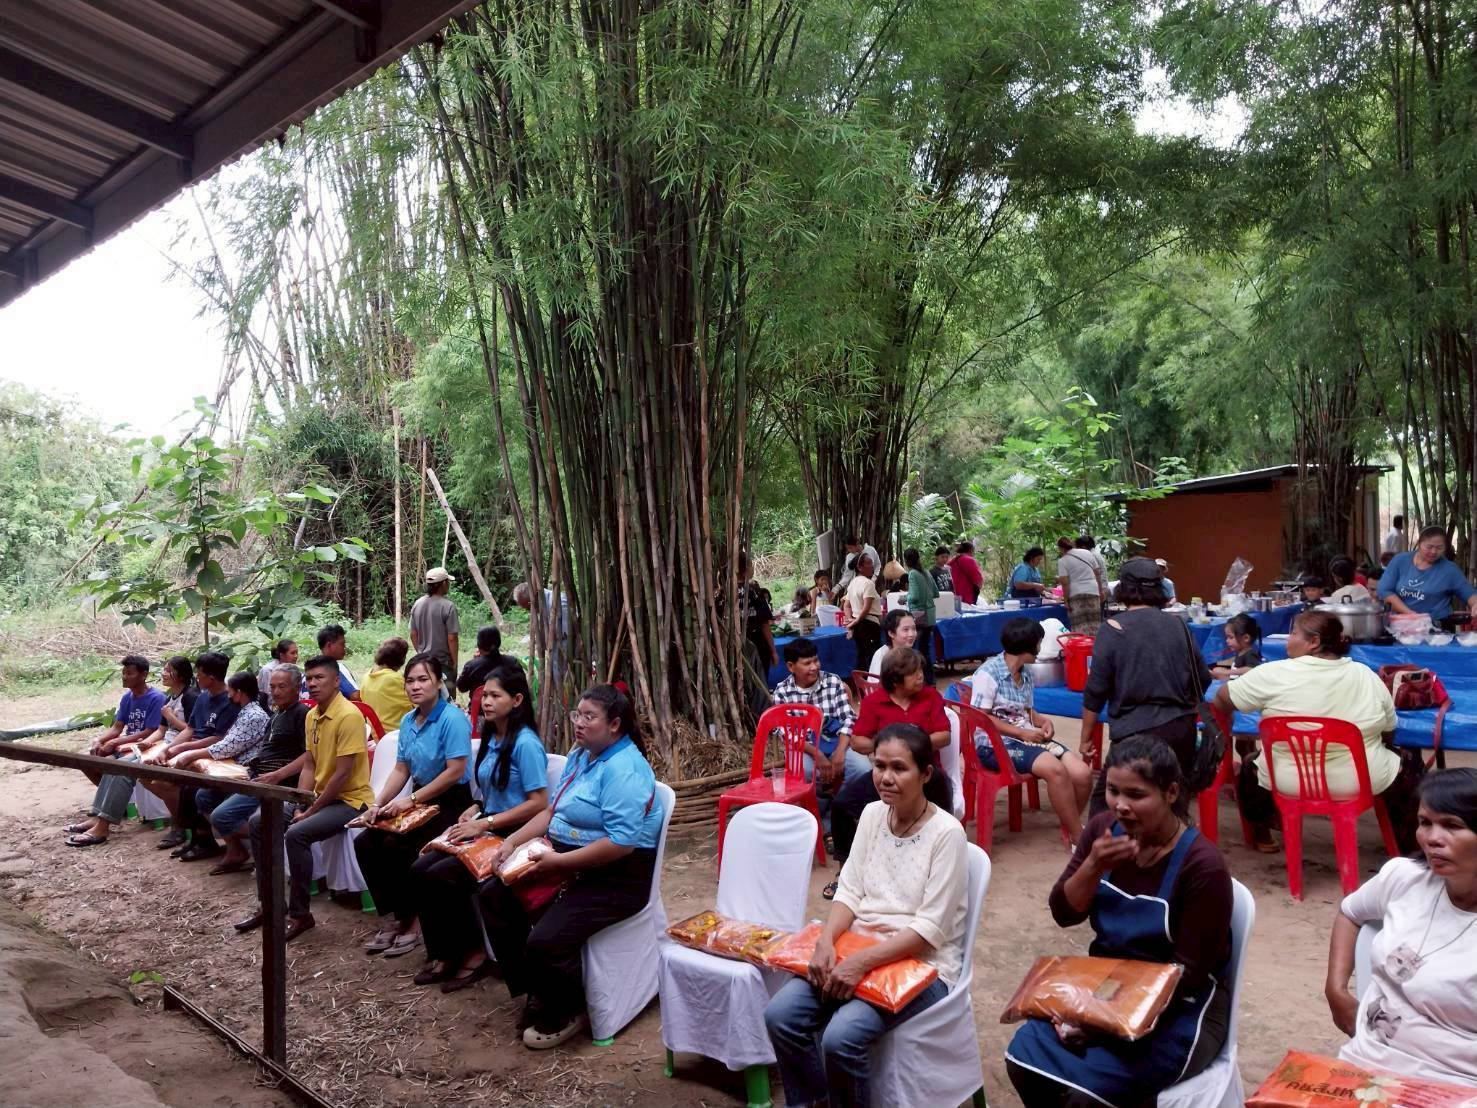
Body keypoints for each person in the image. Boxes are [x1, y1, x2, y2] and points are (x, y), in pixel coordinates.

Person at [1005, 737, 1233, 1107]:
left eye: (1136, 795)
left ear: (1171, 792)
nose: (1121, 806)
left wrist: (1098, 1024)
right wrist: (1093, 866)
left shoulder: (1201, 865)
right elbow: (1064, 913)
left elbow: (1187, 974)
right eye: (1112, 791)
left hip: (1181, 1009)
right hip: (1104, 988)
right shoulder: (1101, 831)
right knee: (1023, 1061)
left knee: (1088, 1099)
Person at [764, 723, 967, 1108]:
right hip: (857, 947)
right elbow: (850, 890)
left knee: (840, 1038)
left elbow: (929, 930)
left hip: (922, 965)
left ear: (925, 774)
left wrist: (859, 963)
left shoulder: (947, 834)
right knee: (781, 1016)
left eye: (899, 768)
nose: (885, 778)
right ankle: (812, 1101)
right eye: (879, 766)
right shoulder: (873, 814)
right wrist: (826, 942)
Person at [480, 684, 664, 1049]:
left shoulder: (625, 770)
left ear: (614, 724)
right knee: (492, 894)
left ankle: (568, 1008)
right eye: (577, 714)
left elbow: (621, 844)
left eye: (589, 717)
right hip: (564, 856)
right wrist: (513, 841)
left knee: (545, 940)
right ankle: (536, 988)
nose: (579, 723)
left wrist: (559, 864)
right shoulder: (583, 755)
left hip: (616, 876)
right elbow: (551, 811)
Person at [1215, 609, 1419, 854]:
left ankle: (1264, 836)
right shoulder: (1366, 675)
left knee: (1250, 766)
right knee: (1406, 764)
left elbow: (1222, 699)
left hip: (1288, 782)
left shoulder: (1272, 673)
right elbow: (1389, 732)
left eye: (1293, 633)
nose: (1287, 639)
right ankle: (1407, 845)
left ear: (1314, 642)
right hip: (1360, 781)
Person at [1324, 769, 1477, 1087]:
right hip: (1363, 1063)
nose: (1432, 838)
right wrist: (1336, 991)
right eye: (1425, 822)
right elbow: (1349, 913)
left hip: (1452, 1084)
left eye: (1452, 825)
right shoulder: (1403, 878)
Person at [410, 662, 549, 991]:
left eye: (494, 696)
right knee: (420, 868)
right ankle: (444, 952)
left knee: (441, 874)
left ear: (516, 700)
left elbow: (539, 803)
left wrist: (485, 823)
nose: (485, 701)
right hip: (488, 825)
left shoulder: (526, 743)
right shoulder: (492, 735)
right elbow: (492, 791)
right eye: (484, 695)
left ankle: (473, 953)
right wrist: (475, 809)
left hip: (514, 834)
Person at [235, 654, 376, 942]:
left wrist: (310, 810)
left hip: (350, 801)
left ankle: (301, 914)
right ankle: (270, 904)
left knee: (297, 833)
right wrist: (302, 800)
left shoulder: (349, 715)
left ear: (337, 681)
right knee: (259, 821)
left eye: (319, 678)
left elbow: (341, 775)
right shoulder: (312, 715)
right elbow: (310, 764)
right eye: (309, 678)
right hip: (319, 797)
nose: (312, 684)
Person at [356, 653, 474, 959]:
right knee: (367, 841)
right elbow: (401, 769)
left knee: (399, 846)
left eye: (423, 679)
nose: (415, 686)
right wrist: (377, 804)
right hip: (420, 799)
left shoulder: (452, 718)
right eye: (410, 680)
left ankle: (415, 922)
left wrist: (410, 800)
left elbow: (455, 771)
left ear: (438, 682)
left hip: (451, 802)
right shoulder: (408, 721)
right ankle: (396, 916)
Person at [1079, 557, 1217, 817]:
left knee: (1106, 809)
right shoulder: (1178, 625)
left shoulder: (1112, 629)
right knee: (1172, 805)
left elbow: (1095, 692)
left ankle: (1097, 853)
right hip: (1181, 730)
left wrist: (1086, 738)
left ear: (1123, 589)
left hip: (1135, 735)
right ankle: (1174, 855)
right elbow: (1203, 677)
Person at [829, 649, 950, 888]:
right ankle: (846, 870)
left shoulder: (930, 697)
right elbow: (858, 741)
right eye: (914, 673)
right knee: (842, 805)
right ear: (895, 679)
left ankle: (941, 867)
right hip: (887, 774)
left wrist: (912, 745)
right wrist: (888, 745)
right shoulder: (875, 701)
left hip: (923, 773)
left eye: (920, 672)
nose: (920, 677)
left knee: (943, 806)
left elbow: (944, 736)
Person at [968, 618, 1092, 841]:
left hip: (1027, 739)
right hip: (993, 746)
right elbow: (980, 718)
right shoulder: (988, 673)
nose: (1040, 648)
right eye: (1039, 643)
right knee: (1055, 770)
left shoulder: (1025, 673)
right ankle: (1077, 836)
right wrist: (1022, 733)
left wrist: (1044, 722)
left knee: (1082, 774)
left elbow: (1027, 712)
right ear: (1025, 645)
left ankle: (1069, 823)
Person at [193, 664, 310, 875]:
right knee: (203, 793)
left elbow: (310, 756)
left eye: (281, 687)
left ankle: (269, 844)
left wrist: (278, 774)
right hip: (257, 775)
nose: (275, 692)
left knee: (223, 816)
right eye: (272, 687)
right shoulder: (276, 715)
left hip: (280, 783)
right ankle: (244, 849)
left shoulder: (303, 714)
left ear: (296, 687)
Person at [165, 672, 271, 862]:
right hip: (233, 767)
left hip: (246, 772)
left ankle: (269, 838)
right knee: (202, 796)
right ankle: (233, 848)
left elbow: (228, 746)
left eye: (231, 691)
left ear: (239, 693)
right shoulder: (244, 710)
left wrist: (191, 753)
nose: (228, 695)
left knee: (219, 814)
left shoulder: (254, 715)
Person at [63, 654, 167, 848]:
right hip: (125, 745)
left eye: (129, 673)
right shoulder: (127, 697)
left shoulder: (156, 697)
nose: (124, 677)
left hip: (145, 747)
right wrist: (100, 740)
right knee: (88, 760)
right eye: (123, 672)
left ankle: (103, 821)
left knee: (115, 766)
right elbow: (118, 726)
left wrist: (117, 742)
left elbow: (151, 731)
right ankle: (103, 811)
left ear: (143, 675)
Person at [149, 651, 242, 850]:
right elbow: (191, 729)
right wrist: (169, 749)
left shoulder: (230, 700)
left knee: (183, 785)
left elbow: (219, 738)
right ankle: (191, 833)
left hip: (217, 754)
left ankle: (196, 835)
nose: (196, 677)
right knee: (154, 776)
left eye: (199, 673)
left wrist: (182, 749)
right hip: (196, 750)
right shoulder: (203, 697)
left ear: (211, 677)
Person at [771, 638, 869, 804]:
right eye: (807, 663)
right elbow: (786, 733)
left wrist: (839, 752)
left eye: (816, 660)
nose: (814, 667)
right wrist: (817, 754)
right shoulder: (782, 692)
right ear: (790, 666)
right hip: (805, 747)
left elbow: (848, 719)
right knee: (807, 771)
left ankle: (841, 806)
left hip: (838, 742)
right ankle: (821, 815)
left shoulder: (832, 681)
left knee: (863, 769)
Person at [1378, 525, 1477, 620]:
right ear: (1419, 544)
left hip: (1437, 628)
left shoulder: (1450, 570)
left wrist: (1475, 604)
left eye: (1439, 548)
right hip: (1401, 625)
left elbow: (1469, 594)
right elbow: (1384, 591)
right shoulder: (1400, 561)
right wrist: (1410, 614)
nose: (1434, 552)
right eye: (1429, 547)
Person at [410, 567, 461, 696]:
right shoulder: (448, 606)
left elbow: (413, 634)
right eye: (447, 582)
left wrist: (420, 652)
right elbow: (452, 638)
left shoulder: (418, 604)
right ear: (443, 584)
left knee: (428, 698)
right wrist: (454, 663)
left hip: (424, 662)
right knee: (447, 699)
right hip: (443, 662)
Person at [360, 636, 414, 731]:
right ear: (401, 658)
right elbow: (420, 702)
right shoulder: (395, 679)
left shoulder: (366, 678)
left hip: (377, 736)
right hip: (398, 735)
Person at [903, 547, 939, 683]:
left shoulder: (912, 574)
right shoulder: (926, 573)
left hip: (919, 617)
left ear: (906, 561)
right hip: (931, 615)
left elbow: (914, 597)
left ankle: (918, 680)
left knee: (916, 651)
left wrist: (904, 598)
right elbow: (936, 593)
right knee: (925, 652)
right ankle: (930, 681)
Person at [1058, 537, 1105, 637]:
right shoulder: (1087, 553)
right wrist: (1100, 591)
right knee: (1095, 622)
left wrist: (1065, 600)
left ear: (1061, 548)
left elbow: (1065, 583)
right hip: (1093, 591)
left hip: (1076, 594)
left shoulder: (1063, 561)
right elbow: (1097, 573)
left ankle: (1082, 648)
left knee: (1079, 624)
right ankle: (1095, 647)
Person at [737, 551, 777, 670]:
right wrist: (773, 652)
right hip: (757, 644)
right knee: (759, 680)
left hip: (732, 646)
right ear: (747, 568)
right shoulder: (754, 591)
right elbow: (764, 624)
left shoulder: (722, 592)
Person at [456, 624, 520, 697]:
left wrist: (474, 662)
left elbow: (461, 688)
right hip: (506, 707)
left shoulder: (471, 665)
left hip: (479, 708)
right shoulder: (513, 661)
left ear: (479, 644)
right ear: (499, 642)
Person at [844, 555, 883, 673]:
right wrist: (853, 622)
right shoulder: (868, 584)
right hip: (869, 624)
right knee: (872, 656)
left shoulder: (852, 583)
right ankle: (871, 683)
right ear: (860, 567)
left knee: (862, 655)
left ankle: (861, 684)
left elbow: (846, 606)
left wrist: (851, 621)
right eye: (869, 563)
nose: (872, 566)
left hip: (858, 624)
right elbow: (866, 608)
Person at [1208, 612, 1262, 679]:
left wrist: (1226, 672)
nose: (1227, 641)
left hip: (1244, 686)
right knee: (1216, 671)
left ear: (1246, 638)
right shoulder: (1241, 652)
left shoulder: (1250, 654)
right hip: (1237, 682)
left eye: (1230, 637)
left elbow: (1251, 669)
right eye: (1226, 637)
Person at [317, 624, 361, 701]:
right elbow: (355, 696)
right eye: (342, 644)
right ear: (329, 645)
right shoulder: (337, 668)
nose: (345, 647)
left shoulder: (309, 670)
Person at [868, 609, 917, 676]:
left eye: (914, 629)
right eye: (906, 629)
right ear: (891, 633)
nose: (911, 634)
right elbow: (876, 684)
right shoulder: (882, 656)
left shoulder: (911, 654)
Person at [949, 541, 984, 605]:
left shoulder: (952, 561)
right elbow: (978, 581)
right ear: (971, 550)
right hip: (967, 598)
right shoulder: (969, 560)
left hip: (954, 598)